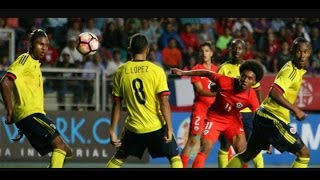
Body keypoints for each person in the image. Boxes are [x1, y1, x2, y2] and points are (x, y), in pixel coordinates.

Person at [226, 37, 311, 168]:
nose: (302, 55)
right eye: (299, 51)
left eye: (305, 52)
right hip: (272, 118)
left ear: (309, 53)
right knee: (304, 153)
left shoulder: (297, 70)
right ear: (292, 51)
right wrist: (295, 109)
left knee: (247, 154)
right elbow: (274, 92)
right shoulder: (291, 71)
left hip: (262, 116)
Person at [106, 33, 183, 168]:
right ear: (147, 49)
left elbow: (117, 104)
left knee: (118, 158)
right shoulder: (157, 70)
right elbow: (164, 102)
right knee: (174, 157)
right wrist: (170, 128)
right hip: (157, 126)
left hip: (134, 129)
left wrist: (112, 131)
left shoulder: (120, 72)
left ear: (129, 49)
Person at [171, 60, 264, 168]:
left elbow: (259, 118)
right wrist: (183, 73)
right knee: (206, 147)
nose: (244, 80)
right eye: (243, 76)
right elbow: (207, 73)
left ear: (254, 82)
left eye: (249, 78)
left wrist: (264, 138)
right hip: (214, 118)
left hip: (233, 121)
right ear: (240, 75)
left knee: (242, 152)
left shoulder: (251, 97)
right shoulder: (225, 81)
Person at [0, 29, 72, 168]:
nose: (44, 48)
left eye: (46, 45)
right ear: (31, 44)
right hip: (31, 114)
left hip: (31, 116)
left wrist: (22, 123)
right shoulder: (25, 59)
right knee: (60, 146)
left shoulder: (36, 64)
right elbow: (5, 83)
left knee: (67, 153)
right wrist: (10, 111)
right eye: (40, 44)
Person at [217, 39, 267, 168]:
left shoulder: (250, 68)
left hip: (247, 115)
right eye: (234, 48)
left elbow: (257, 91)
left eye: (239, 48)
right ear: (230, 50)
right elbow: (217, 91)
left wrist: (260, 112)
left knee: (254, 146)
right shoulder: (223, 68)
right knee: (225, 145)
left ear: (245, 51)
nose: (236, 51)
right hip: (229, 115)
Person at [180, 41, 218, 168]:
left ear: (211, 53)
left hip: (214, 112)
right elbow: (200, 91)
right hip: (200, 109)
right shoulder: (195, 69)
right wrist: (217, 94)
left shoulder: (217, 70)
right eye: (201, 51)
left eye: (206, 51)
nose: (204, 53)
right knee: (191, 141)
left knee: (208, 144)